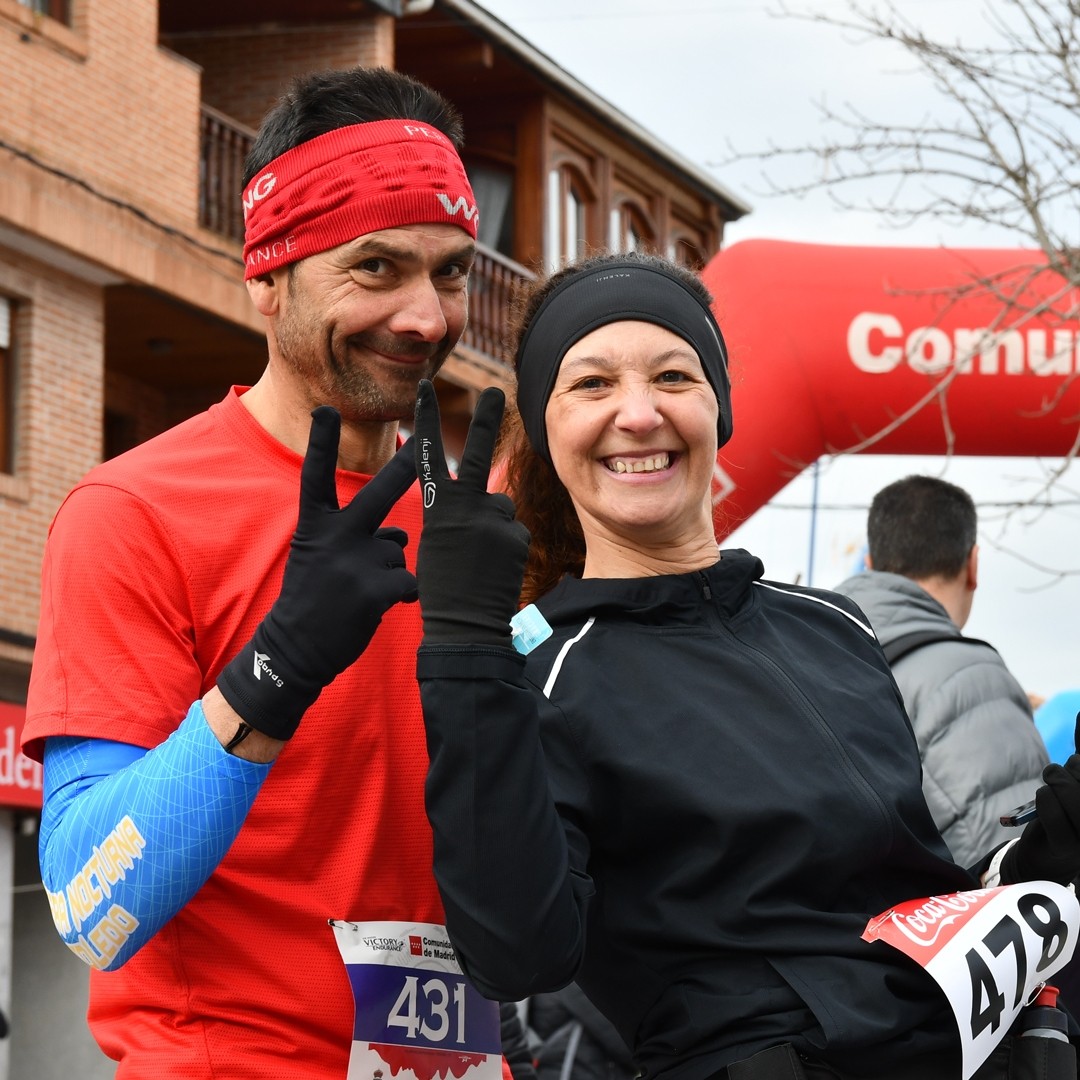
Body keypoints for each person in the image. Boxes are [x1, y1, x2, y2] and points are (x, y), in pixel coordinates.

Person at [409, 250, 1080, 1080]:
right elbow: (516, 956)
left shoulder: (834, 626)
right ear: (547, 434)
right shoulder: (539, 668)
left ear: (719, 409)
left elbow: (910, 898)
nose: (639, 412)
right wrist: (464, 650)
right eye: (590, 385)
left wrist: (1048, 852)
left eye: (673, 377)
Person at [23, 66, 480, 1078]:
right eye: (375, 268)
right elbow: (88, 909)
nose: (424, 317)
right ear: (267, 278)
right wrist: (274, 672)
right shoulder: (136, 512)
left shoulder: (478, 516)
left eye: (449, 272)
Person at [833, 475, 1049, 868]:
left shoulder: (803, 651)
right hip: (917, 926)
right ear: (973, 566)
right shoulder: (970, 677)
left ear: (870, 564)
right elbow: (1013, 869)